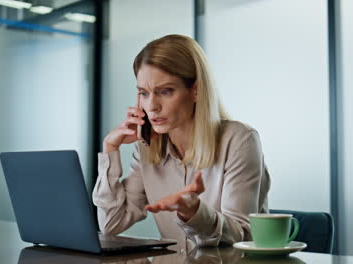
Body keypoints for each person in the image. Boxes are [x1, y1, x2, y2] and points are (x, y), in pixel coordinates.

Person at [92, 34, 270, 247]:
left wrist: (194, 212)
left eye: (165, 91)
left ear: (196, 90)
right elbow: (111, 224)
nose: (152, 106)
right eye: (144, 93)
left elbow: (242, 236)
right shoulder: (147, 149)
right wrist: (110, 150)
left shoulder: (239, 140)